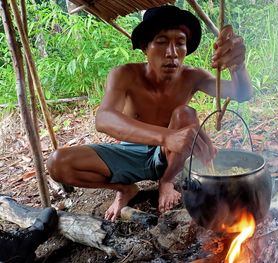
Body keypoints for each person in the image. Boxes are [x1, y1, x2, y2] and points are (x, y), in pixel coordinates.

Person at [47, 5, 253, 222]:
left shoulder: (193, 77)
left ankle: (167, 181)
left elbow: (241, 93)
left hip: (170, 156)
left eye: (180, 44)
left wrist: (237, 66)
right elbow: (104, 118)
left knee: (185, 114)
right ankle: (125, 189)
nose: (172, 52)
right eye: (162, 42)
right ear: (145, 47)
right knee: (58, 163)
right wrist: (166, 136)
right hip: (130, 152)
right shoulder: (124, 74)